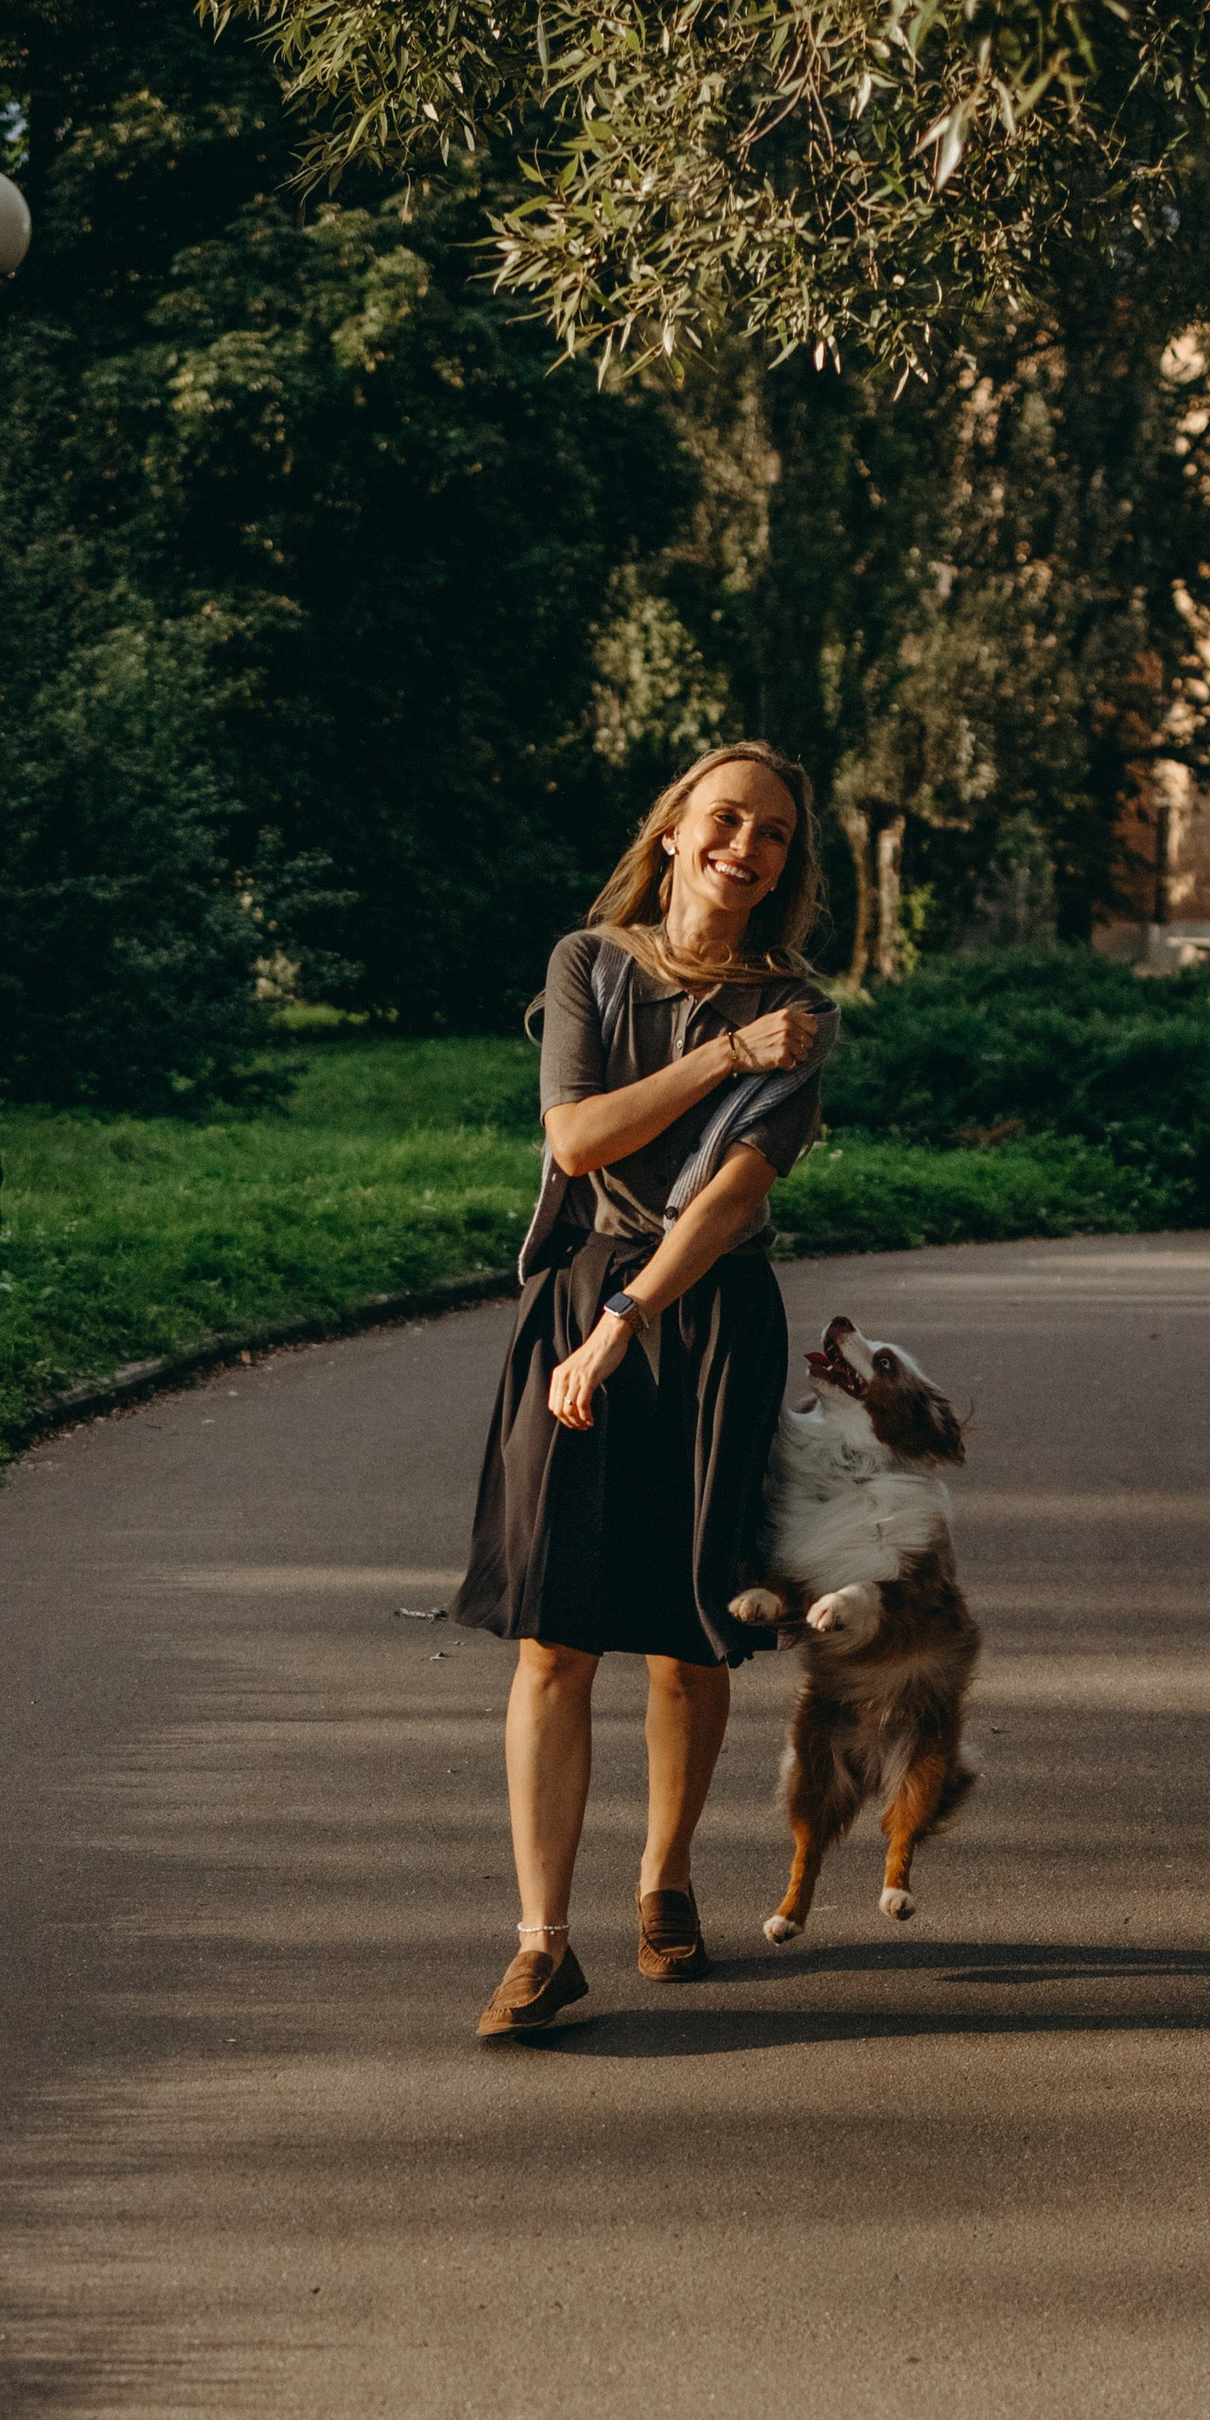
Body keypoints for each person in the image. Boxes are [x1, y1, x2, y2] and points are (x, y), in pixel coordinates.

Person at [456, 744, 836, 2041]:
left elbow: (734, 1194)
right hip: (574, 1298)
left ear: (789, 864)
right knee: (553, 1634)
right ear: (673, 831)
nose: (747, 846)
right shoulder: (592, 964)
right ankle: (541, 1943)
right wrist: (726, 1055)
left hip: (707, 1315)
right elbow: (577, 1139)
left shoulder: (802, 1005)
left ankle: (665, 1879)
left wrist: (629, 1320)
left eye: (775, 834)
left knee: (686, 1632)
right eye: (725, 819)